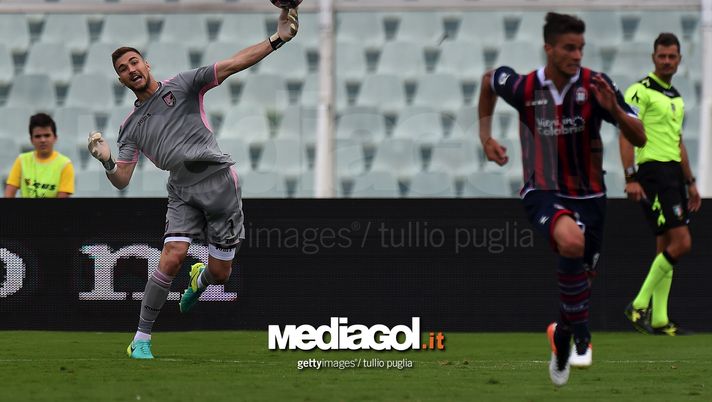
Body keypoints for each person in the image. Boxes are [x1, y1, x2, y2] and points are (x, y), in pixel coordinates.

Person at [87, 7, 299, 359]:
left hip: (220, 184)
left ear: (146, 65)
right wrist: (107, 160)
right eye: (122, 69)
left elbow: (233, 64)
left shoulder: (183, 84)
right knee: (172, 256)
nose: (130, 69)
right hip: (182, 191)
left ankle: (200, 280)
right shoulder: (130, 127)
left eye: (134, 62)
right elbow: (121, 179)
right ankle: (141, 338)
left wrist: (278, 39)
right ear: (121, 80)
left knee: (221, 274)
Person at [478, 12, 645, 386]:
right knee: (571, 241)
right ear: (549, 48)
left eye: (581, 48)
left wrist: (614, 110)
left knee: (582, 283)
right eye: (569, 48)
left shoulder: (596, 86)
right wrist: (485, 137)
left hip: (591, 196)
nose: (577, 55)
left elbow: (640, 136)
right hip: (543, 190)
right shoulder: (525, 87)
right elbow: (489, 80)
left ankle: (563, 336)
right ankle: (583, 333)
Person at [621, 33, 701, 336]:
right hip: (654, 172)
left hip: (673, 175)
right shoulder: (639, 90)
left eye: (672, 56)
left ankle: (659, 319)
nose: (667, 61)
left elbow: (678, 142)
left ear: (679, 59)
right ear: (653, 58)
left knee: (665, 245)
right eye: (662, 56)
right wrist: (630, 177)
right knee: (682, 243)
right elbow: (625, 132)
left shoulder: (676, 97)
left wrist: (691, 182)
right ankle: (639, 305)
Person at [4, 113, 75, 198]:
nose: (43, 140)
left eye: (47, 135)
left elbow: (62, 201)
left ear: (55, 138)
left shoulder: (65, 164)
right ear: (31, 140)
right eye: (38, 136)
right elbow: (8, 195)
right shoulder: (21, 160)